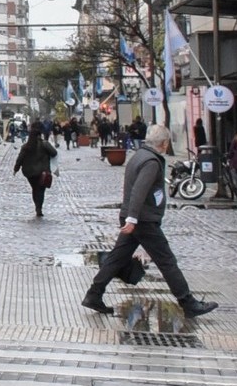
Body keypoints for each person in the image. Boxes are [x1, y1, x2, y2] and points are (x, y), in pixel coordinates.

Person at [85, 125, 217, 318]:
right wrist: (132, 218)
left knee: (117, 258)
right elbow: (139, 190)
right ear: (163, 143)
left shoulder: (139, 156)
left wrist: (129, 216)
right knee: (167, 261)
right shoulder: (151, 162)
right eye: (167, 142)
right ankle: (188, 303)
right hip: (142, 220)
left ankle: (93, 294)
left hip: (135, 217)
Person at [14, 127, 57, 217]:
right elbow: (54, 152)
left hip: (29, 172)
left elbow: (20, 159)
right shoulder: (44, 144)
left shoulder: (26, 146)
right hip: (42, 172)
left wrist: (16, 169)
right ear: (39, 135)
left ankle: (37, 206)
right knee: (41, 190)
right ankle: (39, 207)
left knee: (35, 189)